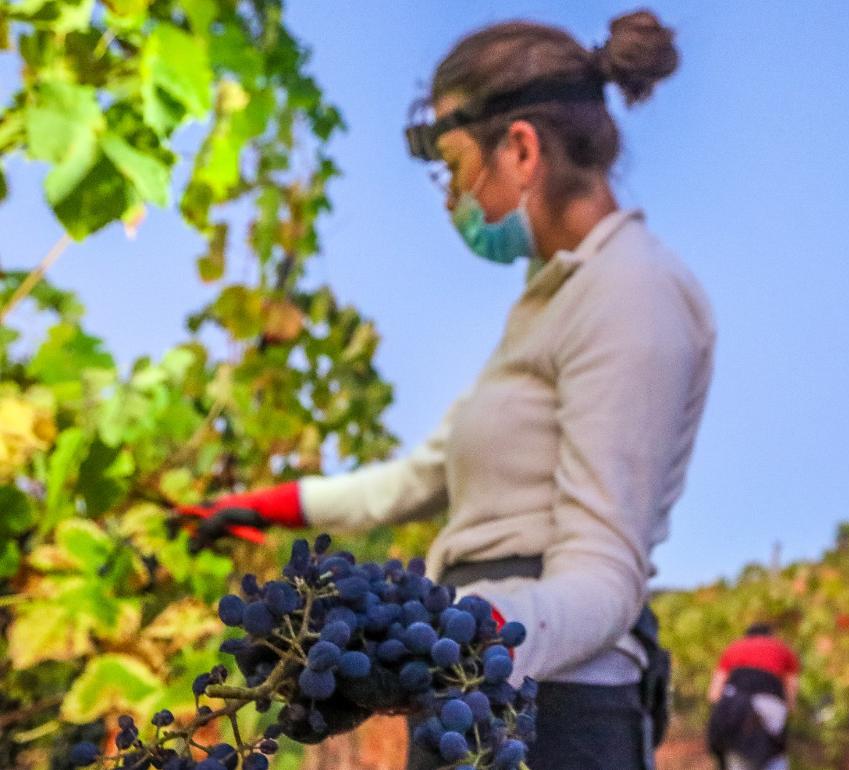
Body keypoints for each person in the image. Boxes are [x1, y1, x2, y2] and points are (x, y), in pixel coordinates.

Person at [183, 9, 715, 770]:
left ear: (521, 149)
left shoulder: (634, 293)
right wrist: (272, 506)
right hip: (474, 681)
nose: (448, 198)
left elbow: (604, 579)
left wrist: (477, 631)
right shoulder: (549, 301)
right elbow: (423, 477)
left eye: (454, 167)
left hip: (552, 703)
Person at [706, 623, 800, 770]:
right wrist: (790, 709)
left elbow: (714, 693)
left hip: (734, 707)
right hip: (770, 703)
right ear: (770, 635)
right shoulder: (781, 648)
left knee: (736, 753)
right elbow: (791, 687)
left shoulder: (734, 648)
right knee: (772, 753)